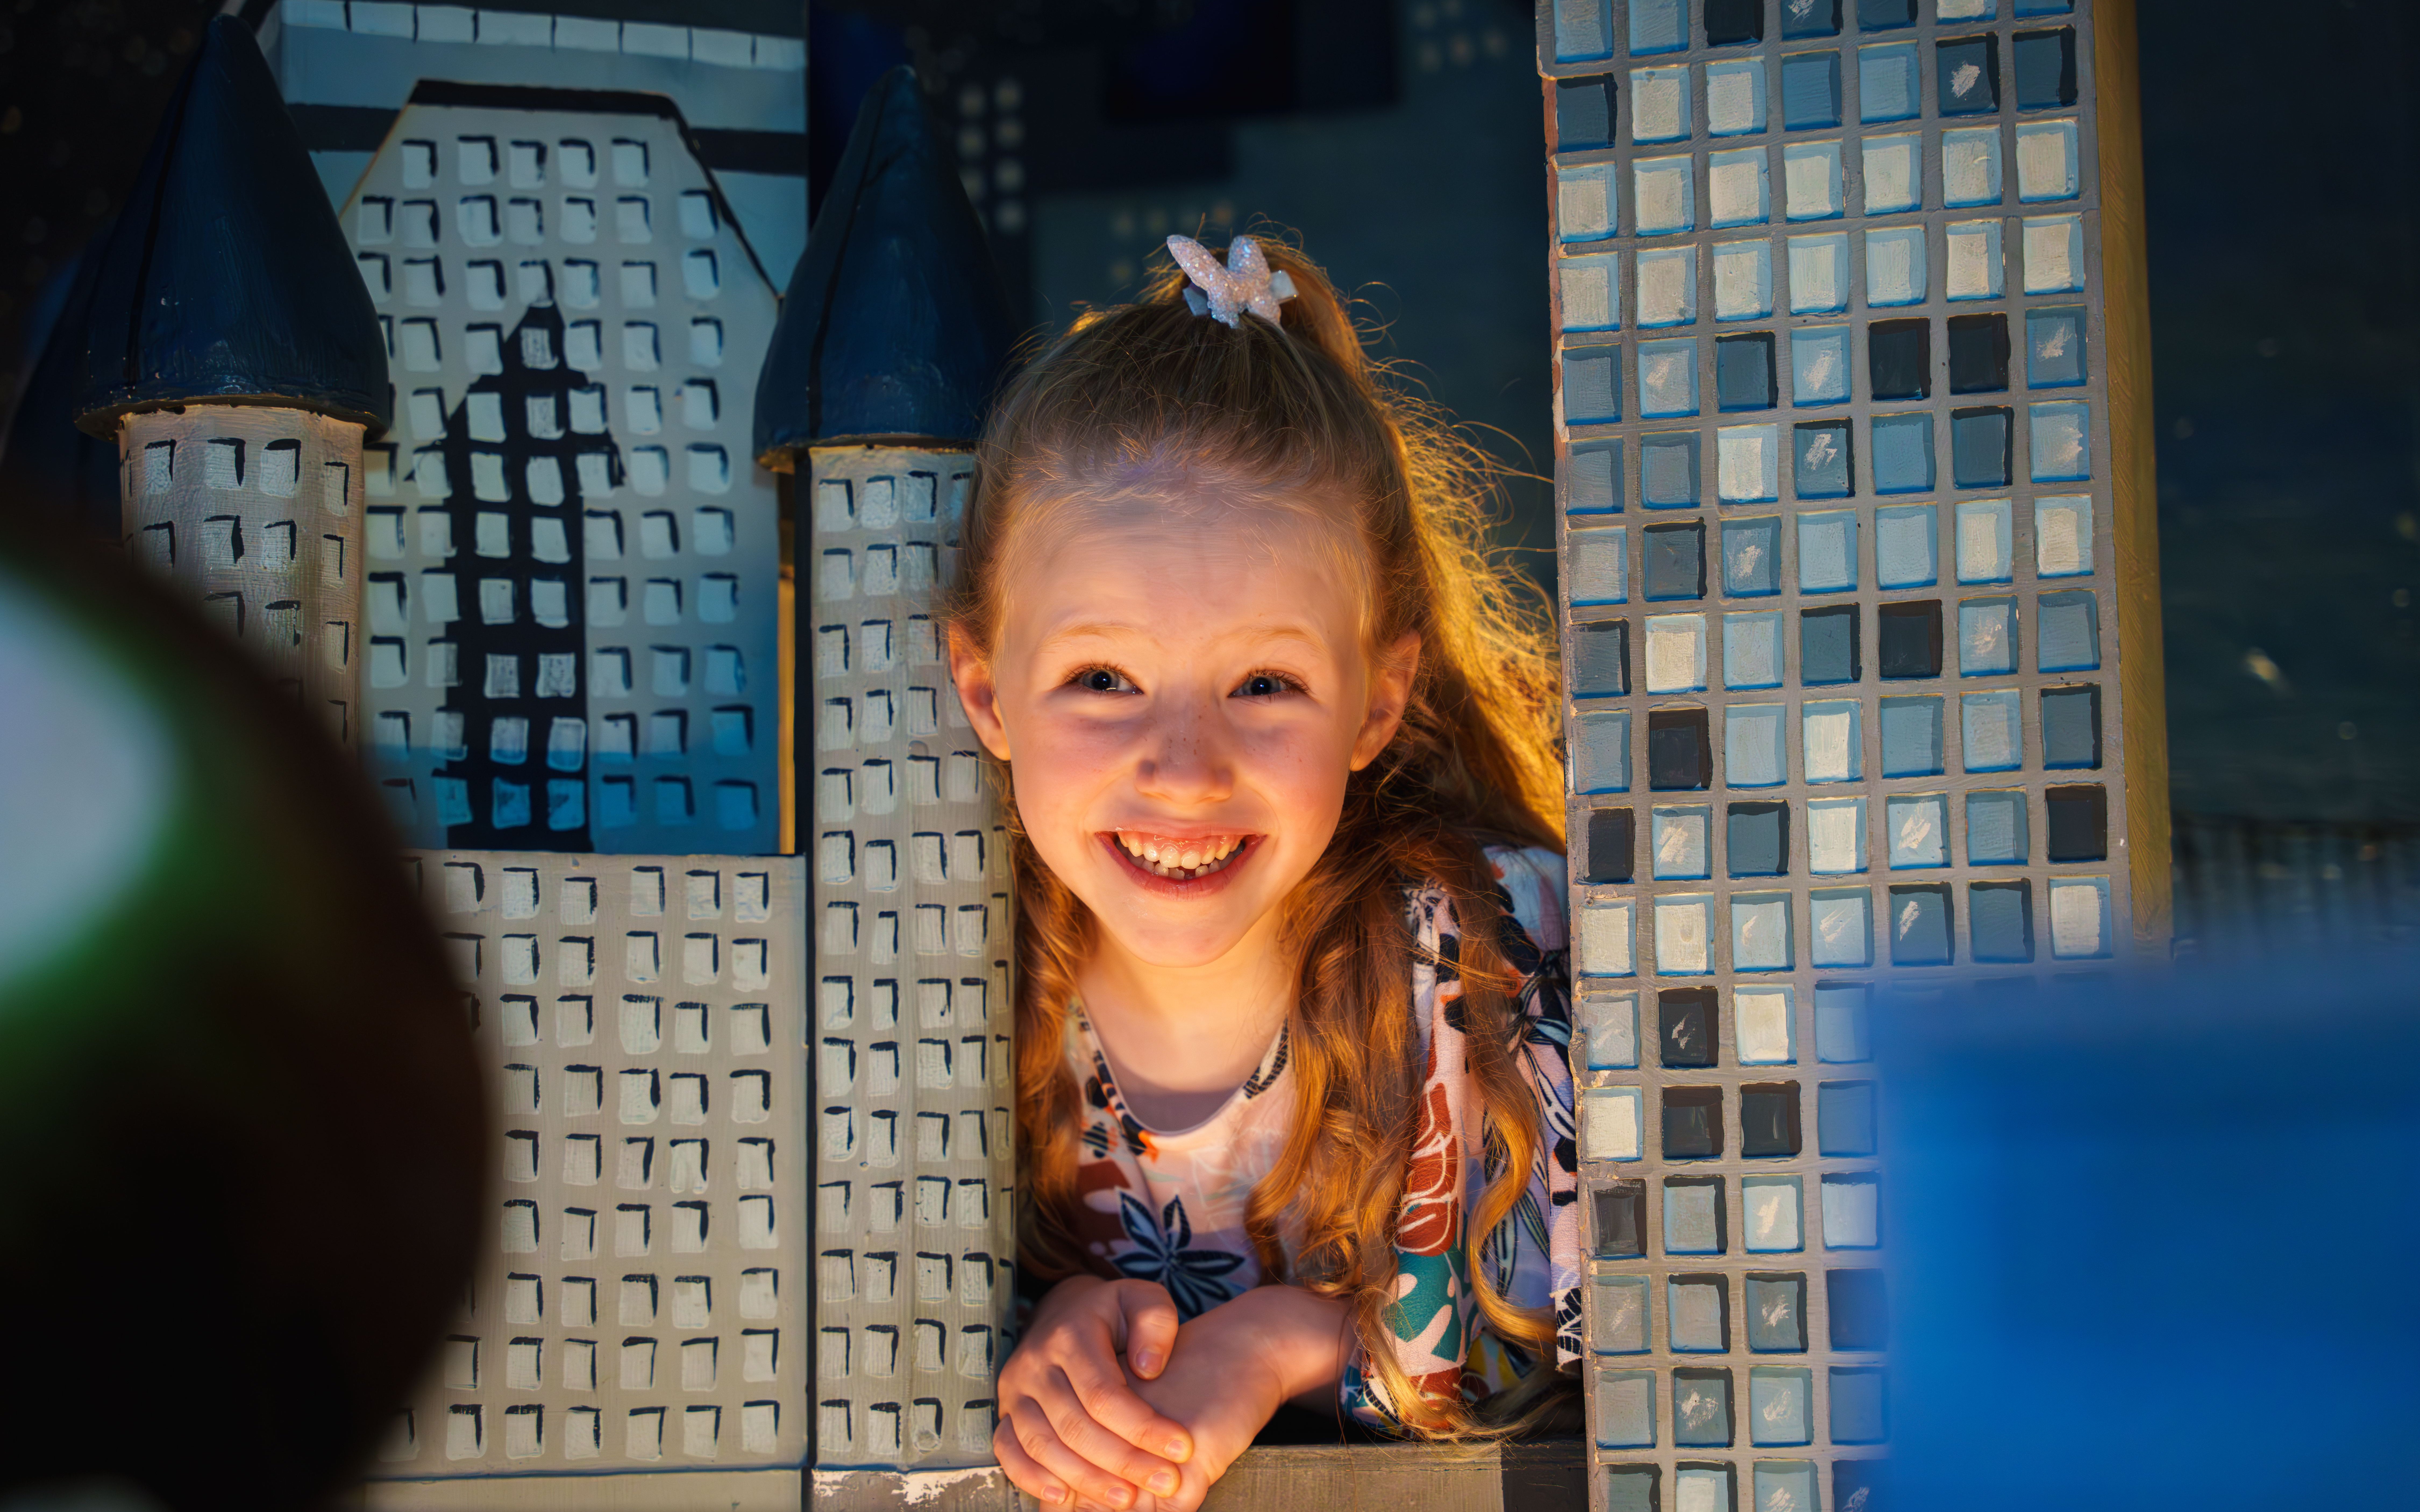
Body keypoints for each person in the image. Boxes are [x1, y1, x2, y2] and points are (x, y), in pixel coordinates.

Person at [944, 232, 1578, 1512]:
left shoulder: (1480, 947)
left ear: (1377, 700)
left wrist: (1283, 1342)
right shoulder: (952, 964)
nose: (1185, 768)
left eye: (1265, 685)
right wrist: (1049, 1325)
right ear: (985, 690)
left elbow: (1611, 1338)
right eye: (1103, 680)